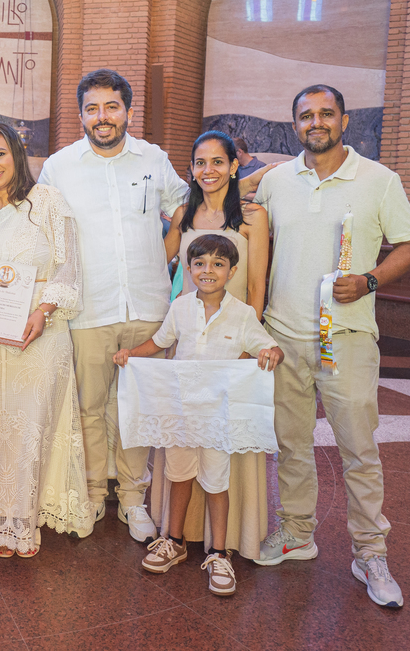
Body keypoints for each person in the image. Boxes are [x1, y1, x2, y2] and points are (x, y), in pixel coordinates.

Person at [253, 84, 410, 609]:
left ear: (344, 121)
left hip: (345, 339)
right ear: (294, 125)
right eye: (306, 116)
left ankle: (370, 552)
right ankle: (298, 532)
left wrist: (370, 281)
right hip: (285, 337)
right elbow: (234, 214)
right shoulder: (277, 182)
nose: (316, 122)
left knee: (358, 450)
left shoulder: (378, 180)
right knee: (292, 446)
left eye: (326, 114)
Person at [37, 68, 190, 542]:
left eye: (111, 107)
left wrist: (164, 255)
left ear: (127, 110)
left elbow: (184, 207)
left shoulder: (153, 158)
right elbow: (41, 230)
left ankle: (131, 498)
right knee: (89, 407)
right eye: (92, 108)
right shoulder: (60, 167)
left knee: (136, 409)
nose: (102, 118)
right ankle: (88, 492)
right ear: (81, 114)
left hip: (148, 305)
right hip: (89, 307)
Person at [114, 234, 283, 594]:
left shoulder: (243, 314)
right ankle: (174, 541)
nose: (208, 271)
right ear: (188, 269)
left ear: (232, 271)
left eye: (218, 264)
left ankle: (219, 553)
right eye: (200, 264)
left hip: (217, 419)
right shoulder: (179, 308)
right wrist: (132, 354)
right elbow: (160, 342)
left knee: (216, 482)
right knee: (179, 476)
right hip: (182, 413)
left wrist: (273, 354)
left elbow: (266, 345)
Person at [0, 122, 95, 557]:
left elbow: (68, 266)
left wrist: (43, 310)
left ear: (17, 154)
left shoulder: (48, 201)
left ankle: (26, 515)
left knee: (32, 425)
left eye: (0, 154)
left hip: (39, 331)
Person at [160, 130, 271, 559]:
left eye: (218, 162)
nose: (209, 170)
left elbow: (258, 283)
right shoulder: (184, 213)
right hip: (189, 343)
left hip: (232, 345)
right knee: (184, 447)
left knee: (224, 449)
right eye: (200, 163)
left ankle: (224, 545)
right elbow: (160, 259)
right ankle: (176, 535)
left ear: (234, 165)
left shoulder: (251, 216)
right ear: (191, 168)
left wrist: (246, 350)